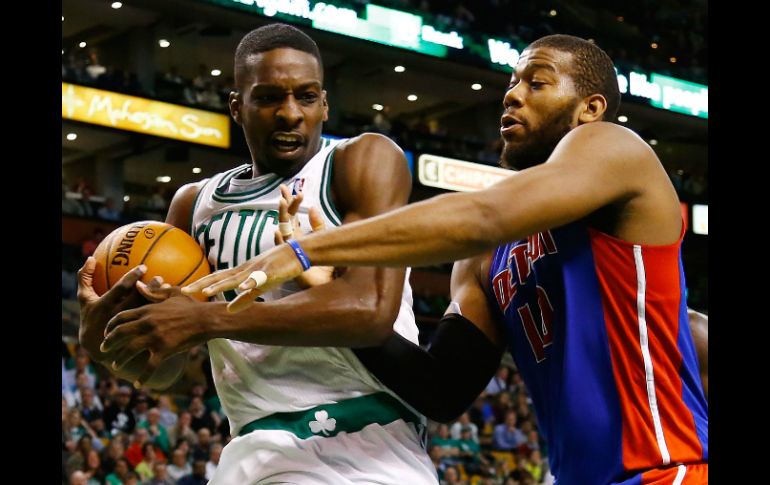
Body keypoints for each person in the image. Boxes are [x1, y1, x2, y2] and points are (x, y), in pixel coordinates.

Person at [187, 34, 708, 484]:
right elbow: (439, 390)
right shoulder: (488, 259)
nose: (512, 95)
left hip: (668, 468)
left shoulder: (616, 147)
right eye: (511, 82)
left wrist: (303, 247)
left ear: (590, 108)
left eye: (536, 82)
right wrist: (327, 289)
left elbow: (483, 213)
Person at [78, 23, 437, 484]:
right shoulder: (193, 204)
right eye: (269, 98)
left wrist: (209, 319)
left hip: (364, 443)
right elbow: (168, 370)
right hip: (253, 449)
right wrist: (111, 343)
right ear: (236, 106)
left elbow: (370, 310)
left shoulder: (360, 162)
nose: (290, 114)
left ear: (324, 104)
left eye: (306, 97)